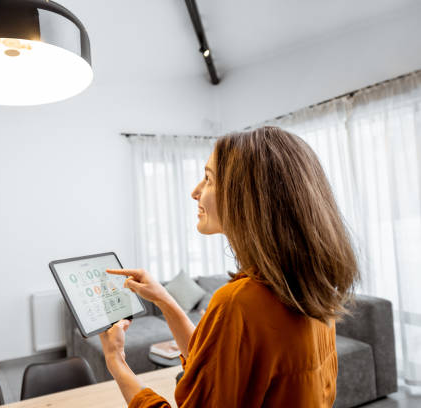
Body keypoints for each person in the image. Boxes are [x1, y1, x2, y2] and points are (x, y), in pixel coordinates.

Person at [99, 126, 359, 407]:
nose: (195, 191)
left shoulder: (240, 303)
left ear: (246, 195)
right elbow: (216, 367)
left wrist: (117, 362)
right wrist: (163, 299)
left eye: (208, 179)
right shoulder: (311, 289)